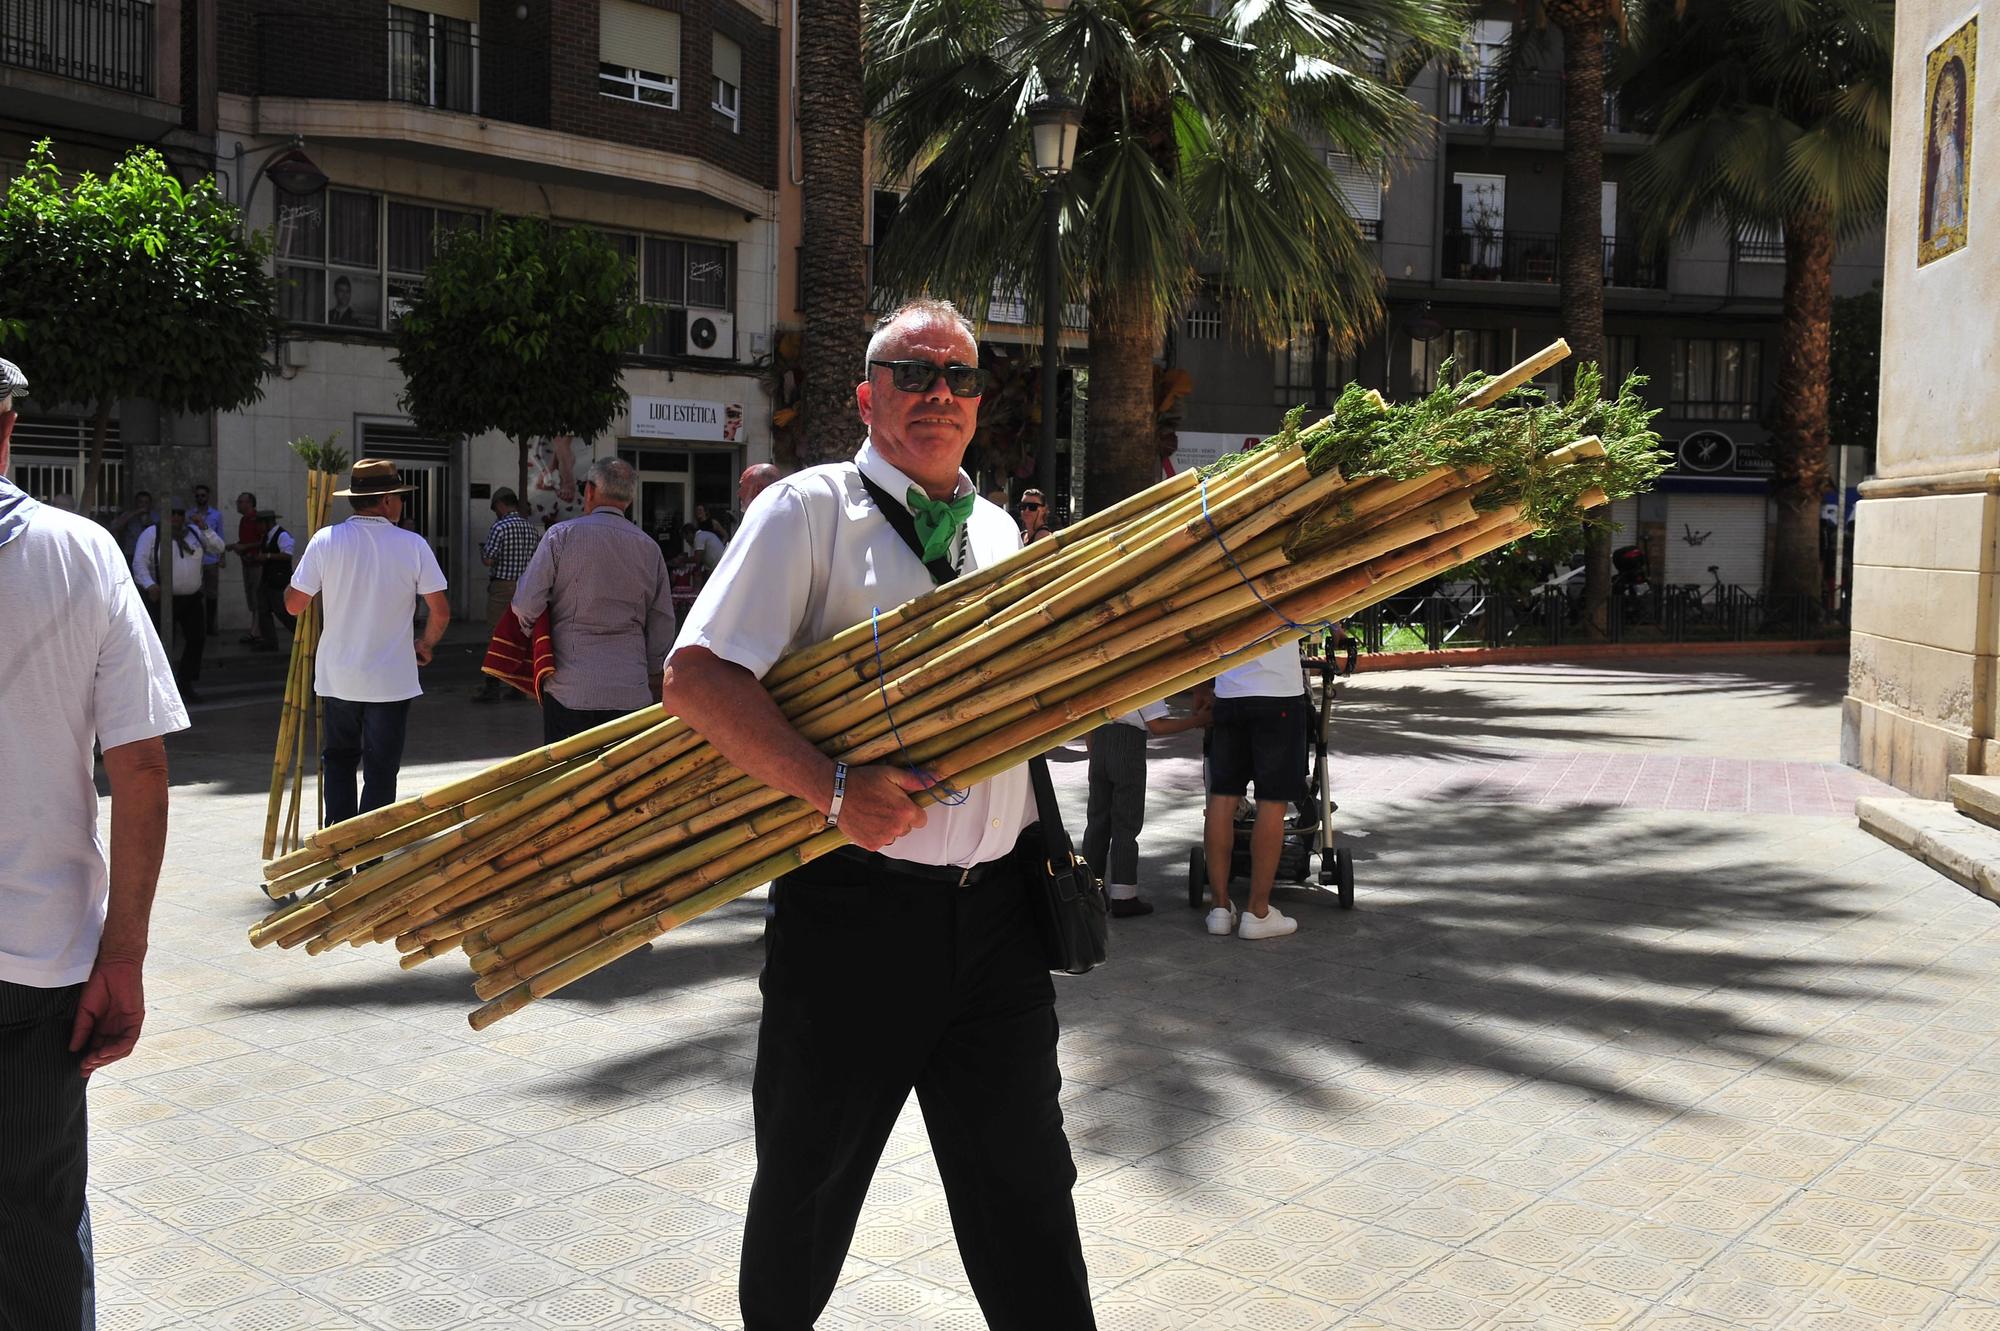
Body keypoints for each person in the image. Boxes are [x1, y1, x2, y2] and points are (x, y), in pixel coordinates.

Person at [664, 298, 1095, 1331]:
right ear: (866, 392)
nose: (937, 392)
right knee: (807, 1188)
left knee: (1028, 1189)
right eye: (912, 372)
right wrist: (831, 788)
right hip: (851, 915)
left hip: (994, 925)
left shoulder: (996, 529)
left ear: (980, 402)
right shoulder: (809, 510)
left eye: (958, 375)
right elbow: (696, 675)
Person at [0, 356, 184, 1331]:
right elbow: (141, 768)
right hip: (38, 967)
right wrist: (125, 950)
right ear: (7, 429)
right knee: (34, 1223)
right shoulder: (80, 554)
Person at [284, 459, 450, 827]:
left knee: (339, 760)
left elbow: (294, 604)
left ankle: (339, 848)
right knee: (381, 769)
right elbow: (440, 612)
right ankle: (369, 855)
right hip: (391, 679)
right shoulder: (413, 545)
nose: (402, 505)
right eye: (400, 498)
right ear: (387, 500)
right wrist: (425, 644)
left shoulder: (325, 540)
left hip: (338, 676)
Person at [512, 458, 675, 743]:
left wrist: (532, 634)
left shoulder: (561, 536)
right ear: (630, 498)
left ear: (589, 491)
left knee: (568, 779)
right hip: (629, 689)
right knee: (622, 782)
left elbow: (526, 604)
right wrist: (651, 672)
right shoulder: (649, 548)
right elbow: (662, 621)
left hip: (571, 687)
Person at [1201, 640, 1309, 939]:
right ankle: (1258, 911)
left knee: (1221, 800)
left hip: (1229, 692)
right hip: (1279, 694)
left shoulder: (1219, 589)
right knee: (1271, 805)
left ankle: (1219, 908)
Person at [1082, 695, 1209, 917]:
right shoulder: (1141, 680)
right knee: (1126, 823)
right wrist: (1198, 720)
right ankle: (1124, 895)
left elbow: (1086, 721)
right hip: (1128, 744)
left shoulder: (1101, 674)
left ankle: (1089, 891)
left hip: (1099, 741)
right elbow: (1157, 726)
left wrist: (1093, 755)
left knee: (1096, 822)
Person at [132, 507, 225, 704]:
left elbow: (219, 548)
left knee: (197, 639)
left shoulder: (194, 532)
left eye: (180, 514)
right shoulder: (152, 533)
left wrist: (205, 527)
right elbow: (139, 562)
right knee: (162, 642)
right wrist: (149, 585)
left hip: (190, 598)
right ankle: (157, 686)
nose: (175, 517)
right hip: (163, 598)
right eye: (171, 513)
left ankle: (185, 681)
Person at [472, 488, 540, 703]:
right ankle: (517, 686)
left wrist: (483, 552)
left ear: (501, 504)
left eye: (495, 509)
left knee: (496, 635)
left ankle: (492, 687)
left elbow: (489, 560)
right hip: (524, 587)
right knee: (518, 637)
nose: (496, 513)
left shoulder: (500, 527)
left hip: (502, 587)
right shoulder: (529, 528)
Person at [250, 509, 297, 649]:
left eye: (259, 523)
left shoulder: (282, 535)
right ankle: (269, 641)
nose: (257, 527)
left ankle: (302, 636)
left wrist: (268, 556)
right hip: (267, 580)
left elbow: (287, 555)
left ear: (267, 522)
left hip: (279, 581)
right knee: (263, 610)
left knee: (282, 612)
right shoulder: (267, 536)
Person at [230, 491, 269, 645]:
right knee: (251, 597)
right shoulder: (243, 520)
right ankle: (255, 629)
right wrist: (235, 546)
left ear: (250, 503)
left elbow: (263, 541)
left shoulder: (257, 519)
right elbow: (246, 540)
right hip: (246, 563)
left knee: (257, 597)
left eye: (241, 501)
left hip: (257, 564)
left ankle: (257, 631)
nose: (238, 504)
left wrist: (244, 547)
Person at [189, 483, 226, 634]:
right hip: (193, 560)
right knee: (195, 593)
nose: (200, 498)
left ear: (208, 496)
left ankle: (210, 625)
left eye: (203, 495)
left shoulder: (216, 515)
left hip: (211, 560)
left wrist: (222, 557)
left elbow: (221, 536)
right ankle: (197, 625)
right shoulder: (189, 514)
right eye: (197, 495)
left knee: (211, 594)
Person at [107, 490, 155, 565]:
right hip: (131, 554)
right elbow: (114, 527)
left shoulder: (155, 517)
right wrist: (135, 513)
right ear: (136, 503)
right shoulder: (128, 515)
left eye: (146, 502)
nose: (143, 505)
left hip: (149, 555)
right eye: (140, 502)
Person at [689, 507, 726, 572]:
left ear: (705, 511)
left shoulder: (713, 522)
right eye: (696, 510)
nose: (698, 512)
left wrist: (720, 545)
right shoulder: (696, 525)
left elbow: (725, 535)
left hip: (713, 553)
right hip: (704, 555)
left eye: (700, 510)